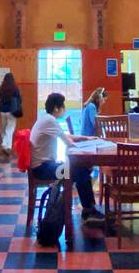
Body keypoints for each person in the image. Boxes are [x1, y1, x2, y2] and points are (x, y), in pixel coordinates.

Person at [30, 92, 103, 226]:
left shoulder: (46, 119)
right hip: (43, 169)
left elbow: (67, 136)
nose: (64, 109)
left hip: (45, 165)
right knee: (80, 171)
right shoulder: (50, 121)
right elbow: (69, 143)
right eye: (63, 106)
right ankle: (89, 211)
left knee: (80, 170)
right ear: (57, 108)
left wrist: (86, 138)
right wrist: (87, 149)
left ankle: (89, 210)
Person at [0, 72, 23, 156]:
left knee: (3, 129)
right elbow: (19, 100)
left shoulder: (2, 88)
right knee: (10, 129)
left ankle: (7, 145)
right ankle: (5, 144)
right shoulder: (15, 88)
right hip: (12, 111)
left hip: (3, 111)